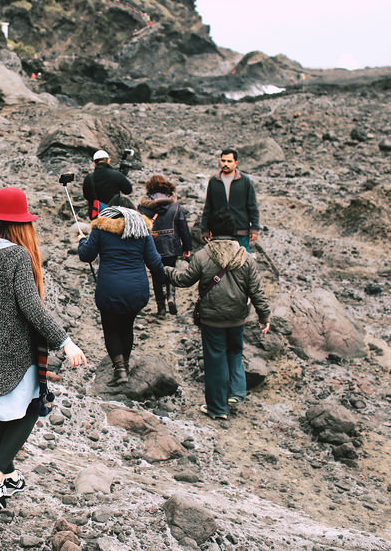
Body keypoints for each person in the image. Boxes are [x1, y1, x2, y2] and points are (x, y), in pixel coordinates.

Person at [0, 187, 87, 511]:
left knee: (3, 411)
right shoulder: (17, 255)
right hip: (14, 355)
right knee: (32, 405)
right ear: (19, 224)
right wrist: (66, 342)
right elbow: (32, 308)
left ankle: (7, 473)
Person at [166, 208, 270, 420]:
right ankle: (236, 392)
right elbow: (256, 291)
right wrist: (264, 316)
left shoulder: (203, 255)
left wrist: (163, 270)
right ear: (234, 233)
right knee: (234, 352)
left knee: (215, 360)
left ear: (210, 234)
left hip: (212, 319)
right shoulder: (246, 257)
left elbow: (184, 280)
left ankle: (218, 408)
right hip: (238, 317)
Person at [77, 198, 165, 386]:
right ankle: (124, 365)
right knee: (127, 326)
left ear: (111, 209)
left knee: (111, 328)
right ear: (132, 209)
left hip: (109, 288)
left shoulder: (101, 228)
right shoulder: (141, 229)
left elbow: (87, 255)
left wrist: (82, 242)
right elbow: (154, 262)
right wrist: (167, 280)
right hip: (136, 289)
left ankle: (120, 370)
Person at [138, 174, 192, 316]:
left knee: (156, 277)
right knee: (171, 273)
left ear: (150, 188)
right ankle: (171, 297)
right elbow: (183, 227)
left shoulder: (142, 207)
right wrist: (187, 247)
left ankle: (161, 308)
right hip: (172, 245)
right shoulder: (175, 205)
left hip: (152, 246)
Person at [200, 149, 260, 251]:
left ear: (235, 163)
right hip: (219, 232)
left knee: (242, 262)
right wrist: (205, 229)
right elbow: (208, 207)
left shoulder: (245, 181)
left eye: (229, 161)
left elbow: (252, 206)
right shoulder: (214, 181)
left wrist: (254, 228)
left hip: (241, 230)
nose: (225, 164)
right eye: (223, 161)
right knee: (220, 263)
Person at [82, 150, 133, 219]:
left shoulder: (89, 177)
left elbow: (86, 196)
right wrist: (122, 176)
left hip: (96, 214)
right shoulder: (116, 174)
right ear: (108, 161)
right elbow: (128, 190)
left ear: (94, 163)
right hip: (114, 213)